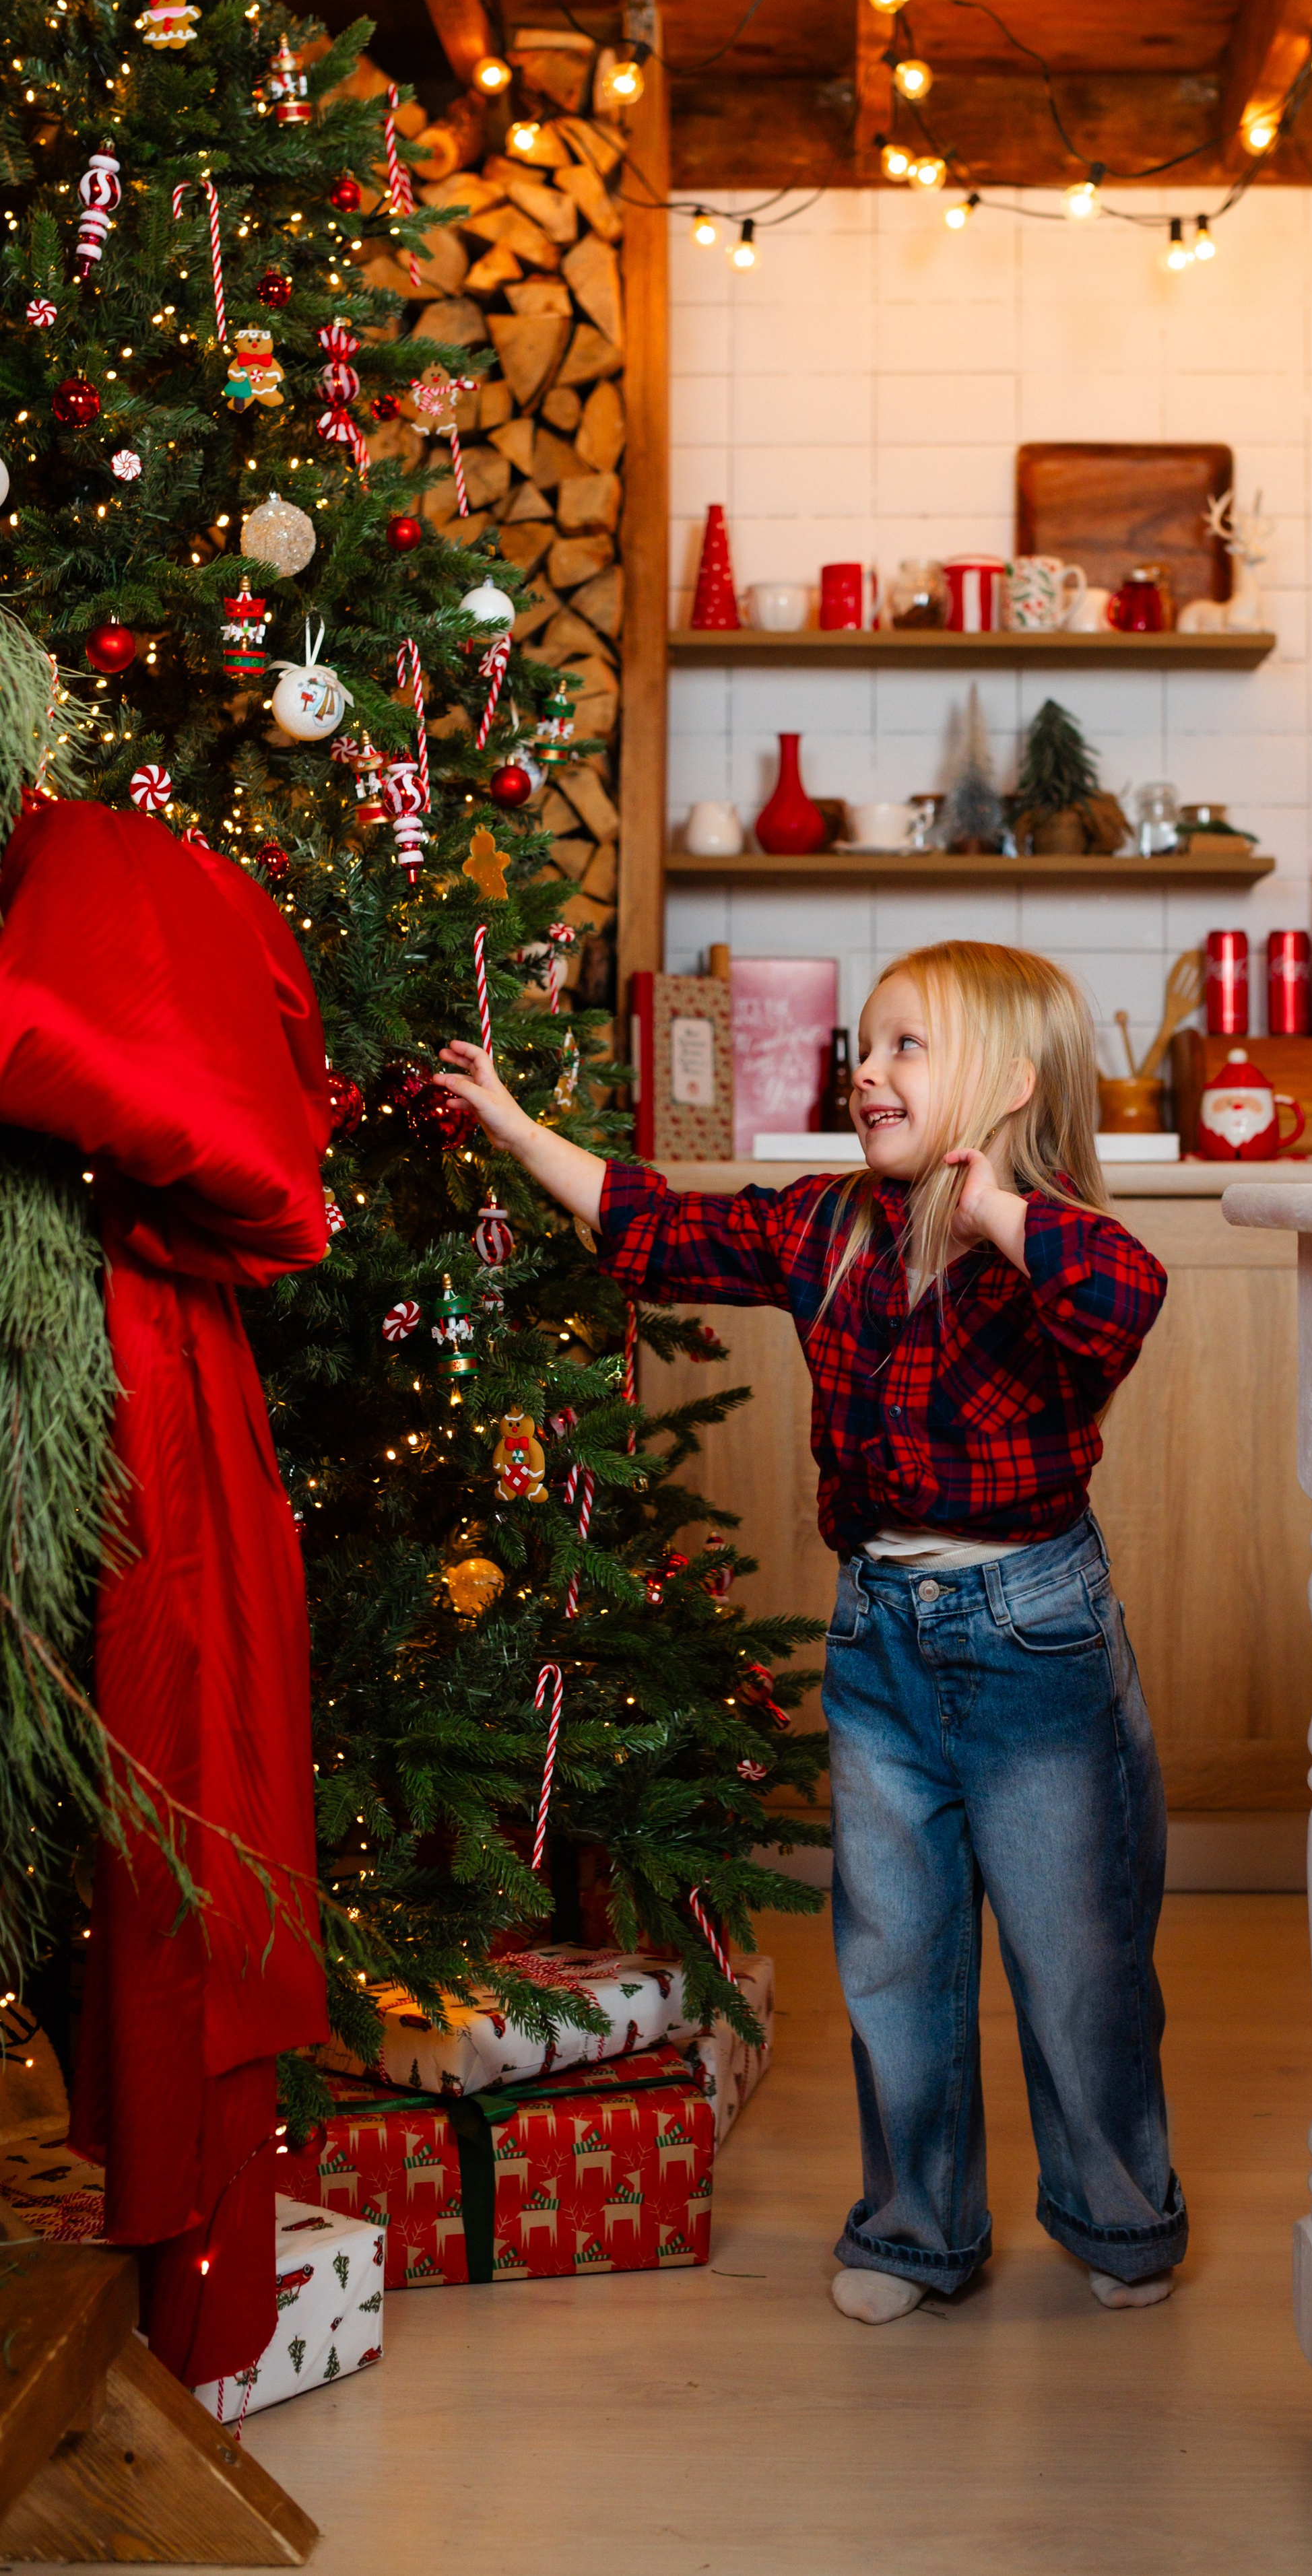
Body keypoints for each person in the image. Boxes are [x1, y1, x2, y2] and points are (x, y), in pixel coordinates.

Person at [437, 939, 1185, 2324]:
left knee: (1075, 1962)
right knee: (895, 1956)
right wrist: (517, 1126)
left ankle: (1118, 2219)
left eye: (908, 1046)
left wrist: (1000, 1210)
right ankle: (915, 2231)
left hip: (1031, 1641)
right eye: (867, 1043)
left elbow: (1126, 1298)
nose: (868, 1068)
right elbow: (654, 1225)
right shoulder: (825, 1228)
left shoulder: (1053, 1248)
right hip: (880, 1640)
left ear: (1007, 1083)